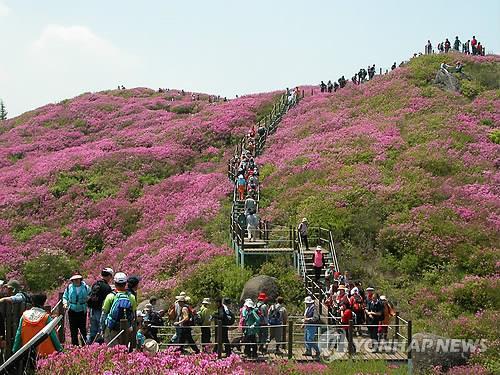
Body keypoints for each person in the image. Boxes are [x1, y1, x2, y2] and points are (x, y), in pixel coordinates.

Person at [12, 293, 63, 358]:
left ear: (32, 302)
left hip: (27, 351)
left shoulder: (24, 316)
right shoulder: (46, 317)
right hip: (44, 353)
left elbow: (19, 334)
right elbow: (53, 335)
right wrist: (60, 350)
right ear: (43, 302)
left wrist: (15, 349)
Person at [100, 272, 137, 346]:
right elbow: (134, 314)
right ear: (125, 283)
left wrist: (102, 329)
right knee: (125, 350)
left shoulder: (110, 296)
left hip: (112, 327)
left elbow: (104, 314)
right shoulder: (131, 297)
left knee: (112, 350)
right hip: (126, 328)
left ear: (115, 283)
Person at [87, 267, 113, 344]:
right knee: (100, 329)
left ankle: (89, 344)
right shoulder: (107, 287)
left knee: (93, 329)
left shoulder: (95, 284)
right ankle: (99, 345)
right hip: (100, 310)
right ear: (109, 276)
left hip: (92, 309)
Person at [63, 274, 90, 346]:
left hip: (82, 310)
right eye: (74, 279)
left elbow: (90, 295)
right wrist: (65, 303)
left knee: (83, 329)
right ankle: (75, 346)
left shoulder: (85, 287)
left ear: (80, 279)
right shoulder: (69, 288)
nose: (76, 281)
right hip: (72, 310)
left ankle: (84, 345)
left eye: (78, 279)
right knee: (73, 329)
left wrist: (88, 299)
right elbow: (65, 297)